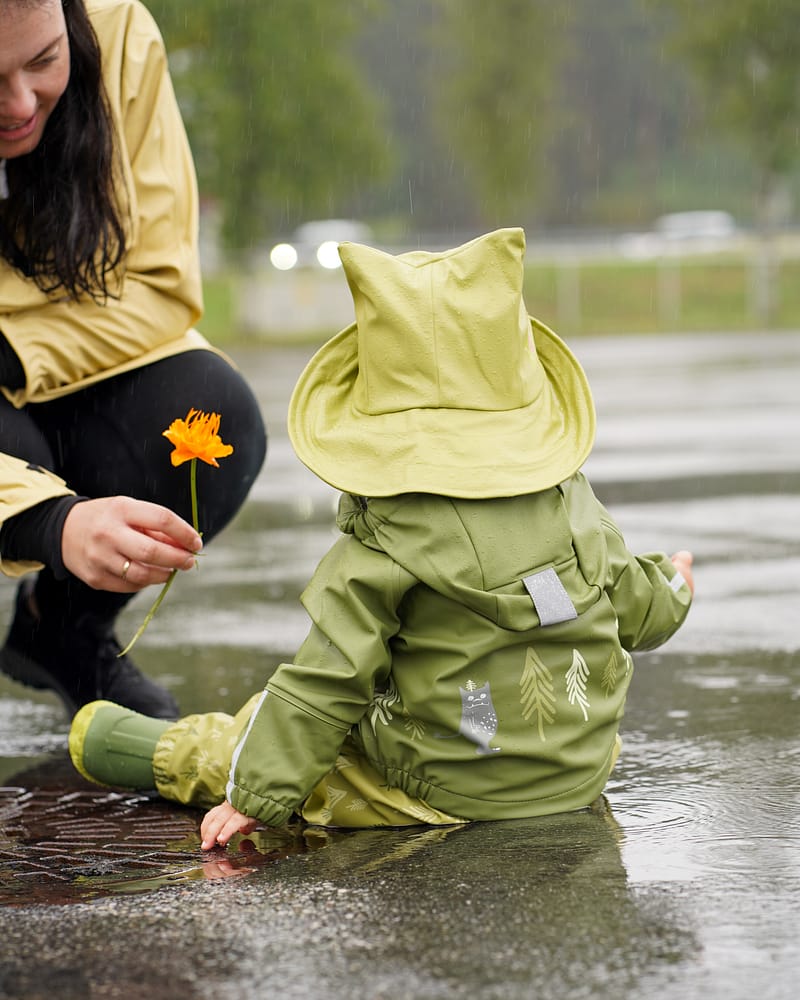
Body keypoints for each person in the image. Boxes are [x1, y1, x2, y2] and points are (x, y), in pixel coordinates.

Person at [68, 227, 694, 847]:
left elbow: (324, 685)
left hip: (436, 788)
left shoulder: (381, 545)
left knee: (264, 730)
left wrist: (257, 795)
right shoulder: (571, 502)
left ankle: (138, 747)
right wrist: (675, 583)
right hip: (572, 776)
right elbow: (640, 610)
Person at [0, 0, 266, 719]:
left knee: (214, 412)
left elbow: (160, 283)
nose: (21, 104)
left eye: (45, 61)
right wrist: (52, 523)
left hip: (31, 363)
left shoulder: (120, 30)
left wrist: (17, 350)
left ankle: (62, 633)